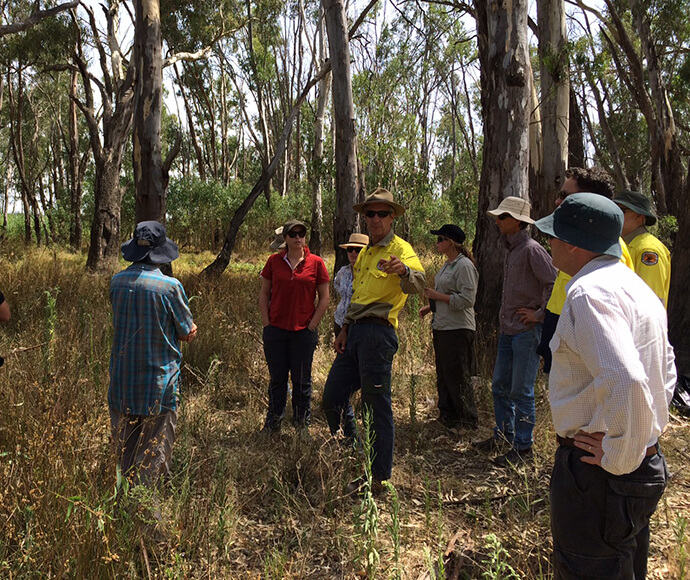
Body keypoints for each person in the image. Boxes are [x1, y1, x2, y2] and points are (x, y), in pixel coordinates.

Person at [534, 193, 675, 579]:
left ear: (574, 245)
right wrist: (640, 446)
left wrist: (619, 455)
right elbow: (665, 370)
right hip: (638, 464)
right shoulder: (636, 289)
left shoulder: (588, 293)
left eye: (554, 236)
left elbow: (627, 378)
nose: (549, 243)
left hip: (600, 477)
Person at [322, 187, 425, 489]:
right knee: (332, 397)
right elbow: (356, 296)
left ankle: (378, 477)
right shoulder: (365, 253)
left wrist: (404, 270)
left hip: (378, 334)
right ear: (364, 218)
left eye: (383, 213)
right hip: (354, 333)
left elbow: (418, 283)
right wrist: (344, 329)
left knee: (376, 405)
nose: (376, 219)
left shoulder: (401, 249)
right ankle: (351, 447)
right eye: (371, 213)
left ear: (392, 217)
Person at [109, 221, 197, 487]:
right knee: (152, 457)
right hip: (159, 386)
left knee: (124, 454)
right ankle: (145, 517)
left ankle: (121, 509)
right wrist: (192, 330)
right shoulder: (170, 287)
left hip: (122, 382)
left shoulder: (117, 282)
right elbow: (185, 331)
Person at [473, 196, 556, 467]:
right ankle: (504, 435)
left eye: (503, 217)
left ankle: (523, 447)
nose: (497, 221)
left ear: (518, 222)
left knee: (521, 390)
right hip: (508, 331)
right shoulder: (510, 250)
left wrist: (539, 314)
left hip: (525, 332)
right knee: (499, 386)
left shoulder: (532, 250)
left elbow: (553, 282)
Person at [537, 167, 633, 373]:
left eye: (565, 196)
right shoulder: (575, 242)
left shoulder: (610, 250)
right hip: (562, 327)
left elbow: (616, 372)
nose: (557, 202)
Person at [259, 219, 330, 433]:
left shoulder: (316, 263)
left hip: (303, 333)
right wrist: (267, 323)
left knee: (302, 382)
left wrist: (312, 325)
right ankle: (273, 425)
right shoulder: (274, 261)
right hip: (276, 331)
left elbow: (324, 298)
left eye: (301, 233)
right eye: (293, 234)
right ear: (285, 239)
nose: (298, 237)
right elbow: (264, 293)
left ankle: (301, 427)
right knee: (278, 380)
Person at [419, 224, 478, 429]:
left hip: (458, 328)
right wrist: (430, 307)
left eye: (440, 239)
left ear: (450, 242)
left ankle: (467, 420)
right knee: (444, 374)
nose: (437, 243)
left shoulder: (464, 266)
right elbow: (446, 296)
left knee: (458, 375)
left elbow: (467, 299)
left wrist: (436, 296)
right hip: (442, 326)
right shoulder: (447, 265)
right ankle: (448, 417)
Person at [614, 189, 671, 307]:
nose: (615, 214)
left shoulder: (648, 249)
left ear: (638, 216)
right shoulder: (624, 245)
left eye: (621, 210)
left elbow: (650, 301)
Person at [333, 233, 369, 338]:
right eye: (350, 249)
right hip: (340, 322)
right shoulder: (343, 271)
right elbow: (336, 284)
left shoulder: (369, 274)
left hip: (361, 326)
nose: (353, 252)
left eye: (358, 250)